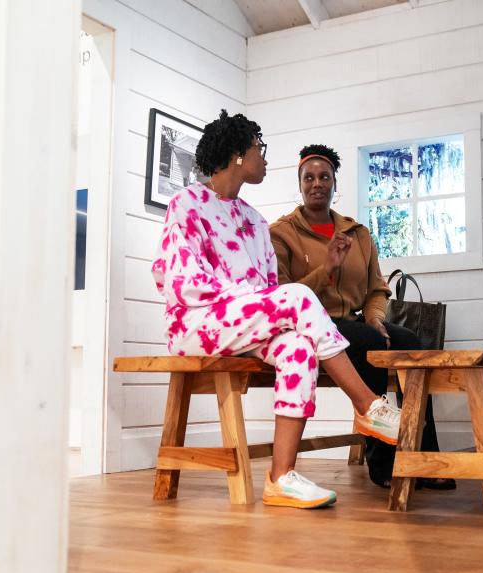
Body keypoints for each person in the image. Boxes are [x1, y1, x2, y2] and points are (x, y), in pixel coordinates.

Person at [151, 110, 403, 509]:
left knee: (298, 349)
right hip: (197, 323)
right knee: (298, 299)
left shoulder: (254, 221)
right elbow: (183, 283)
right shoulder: (187, 205)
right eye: (259, 149)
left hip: (243, 323)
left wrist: (256, 303)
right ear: (237, 155)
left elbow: (268, 290)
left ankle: (280, 477)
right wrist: (247, 299)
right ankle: (366, 404)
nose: (264, 158)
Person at [269, 144, 455, 490]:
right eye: (309, 177)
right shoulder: (281, 233)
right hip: (312, 326)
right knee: (369, 345)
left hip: (354, 322)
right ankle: (383, 461)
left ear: (335, 183)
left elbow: (376, 289)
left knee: (410, 342)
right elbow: (281, 295)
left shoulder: (358, 233)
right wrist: (327, 268)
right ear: (300, 184)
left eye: (325, 176)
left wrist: (374, 317)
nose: (317, 183)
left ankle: (426, 456)